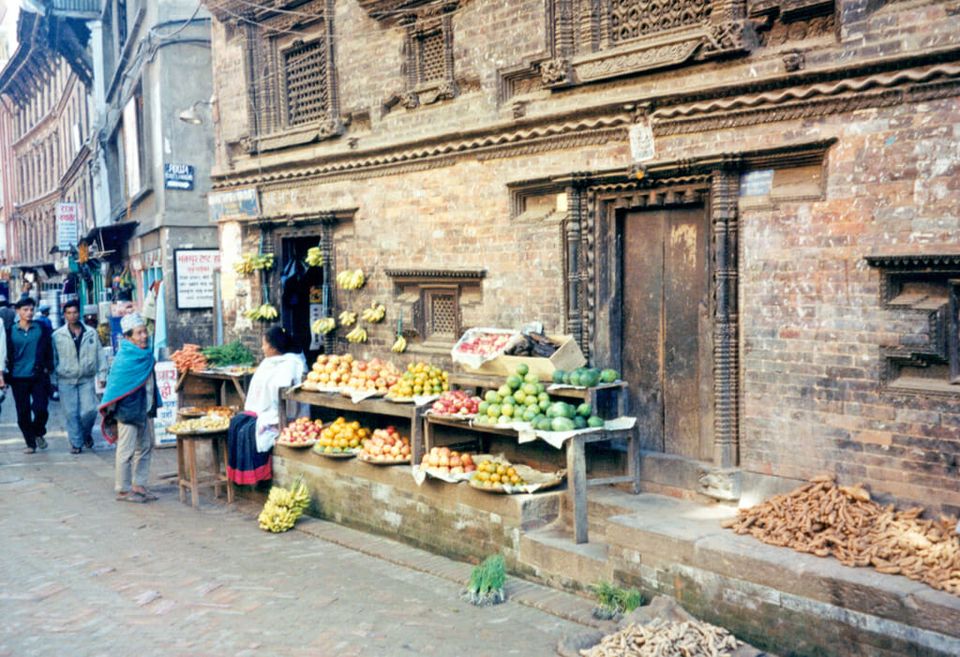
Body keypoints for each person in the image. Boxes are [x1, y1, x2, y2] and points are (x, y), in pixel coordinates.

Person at [227, 328, 305, 485]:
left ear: (274, 347)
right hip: (260, 410)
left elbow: (281, 386)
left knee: (247, 431)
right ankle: (238, 476)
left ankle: (258, 475)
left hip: (278, 414)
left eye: (264, 345)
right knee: (236, 424)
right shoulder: (267, 362)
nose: (262, 348)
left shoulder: (290, 363)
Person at [98, 313, 161, 503]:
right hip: (127, 410)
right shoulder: (124, 359)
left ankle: (139, 484)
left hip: (144, 406)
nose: (144, 336)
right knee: (126, 450)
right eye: (139, 333)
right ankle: (123, 489)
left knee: (146, 446)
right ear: (128, 337)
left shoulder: (146, 355)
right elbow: (115, 388)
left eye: (144, 332)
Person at [53, 301, 108, 454]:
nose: (72, 316)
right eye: (69, 313)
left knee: (89, 411)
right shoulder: (57, 336)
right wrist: (54, 378)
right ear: (64, 315)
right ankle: (76, 443)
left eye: (75, 312)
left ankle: (85, 434)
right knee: (71, 413)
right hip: (66, 379)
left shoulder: (90, 332)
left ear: (79, 313)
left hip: (86, 378)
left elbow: (100, 354)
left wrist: (102, 374)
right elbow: (53, 359)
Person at [7, 297, 54, 453]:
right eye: (25, 310)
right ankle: (30, 443)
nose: (29, 313)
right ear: (18, 311)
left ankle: (38, 431)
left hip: (38, 375)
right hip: (17, 377)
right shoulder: (10, 331)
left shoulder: (41, 328)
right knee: (23, 412)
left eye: (31, 309)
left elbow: (49, 350)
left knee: (41, 408)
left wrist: (48, 367)